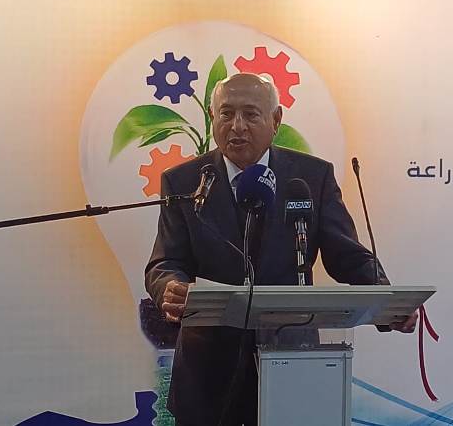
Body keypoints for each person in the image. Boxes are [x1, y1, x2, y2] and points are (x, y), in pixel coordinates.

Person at [145, 73, 417, 425]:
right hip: (208, 371)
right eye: (226, 114)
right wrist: (170, 287)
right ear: (213, 118)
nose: (237, 126)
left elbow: (346, 255)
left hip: (292, 361)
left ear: (276, 120)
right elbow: (165, 261)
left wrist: (386, 300)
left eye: (250, 114)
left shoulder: (311, 177)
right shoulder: (185, 181)